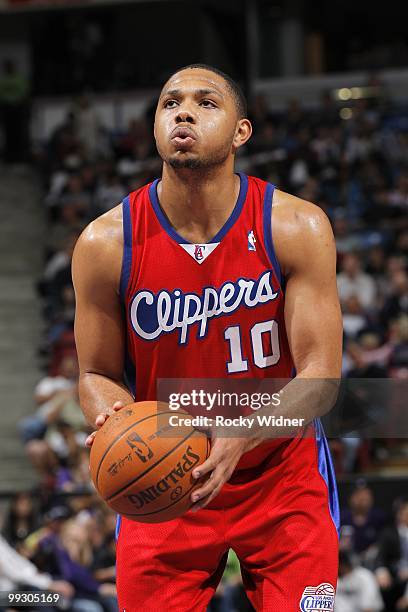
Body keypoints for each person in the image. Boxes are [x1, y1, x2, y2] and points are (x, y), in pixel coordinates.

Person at [72, 64, 343, 610]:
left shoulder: (295, 226)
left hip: (280, 475)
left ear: (241, 131)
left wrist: (241, 435)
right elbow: (96, 374)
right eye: (170, 103)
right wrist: (115, 419)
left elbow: (320, 377)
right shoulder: (105, 243)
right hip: (170, 480)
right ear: (154, 128)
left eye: (206, 102)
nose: (184, 112)